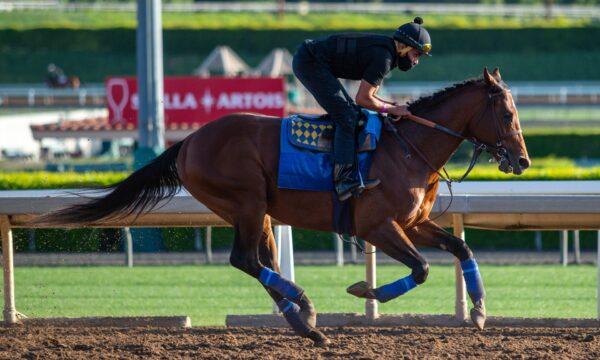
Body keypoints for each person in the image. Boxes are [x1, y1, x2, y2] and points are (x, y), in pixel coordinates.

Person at [292, 17, 432, 201]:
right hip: (309, 62)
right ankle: (343, 179)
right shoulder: (383, 59)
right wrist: (392, 109)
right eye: (416, 54)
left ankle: (346, 166)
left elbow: (369, 98)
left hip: (316, 61)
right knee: (347, 118)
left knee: (355, 116)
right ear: (403, 47)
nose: (416, 61)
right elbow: (363, 99)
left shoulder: (386, 53)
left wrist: (392, 107)